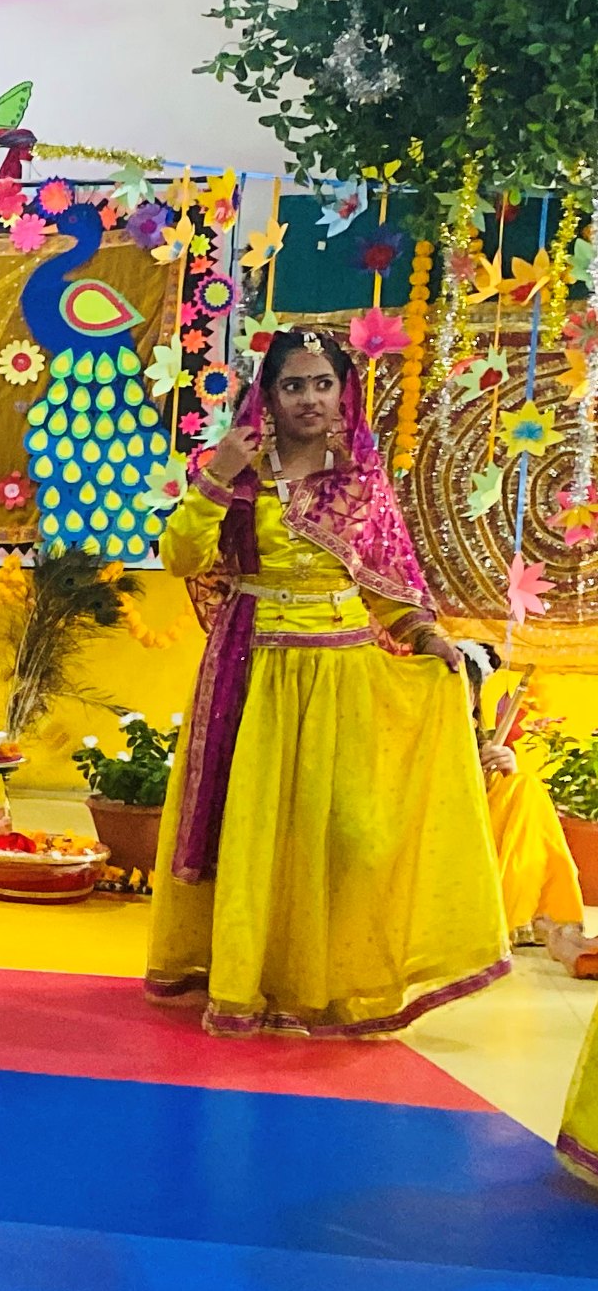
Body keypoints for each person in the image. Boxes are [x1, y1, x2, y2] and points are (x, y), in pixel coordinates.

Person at [145, 327, 507, 1036]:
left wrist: (427, 638)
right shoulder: (237, 472)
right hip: (256, 674)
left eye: (322, 384)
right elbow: (181, 559)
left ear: (345, 393)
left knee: (354, 834)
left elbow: (390, 586)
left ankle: (332, 981)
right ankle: (249, 982)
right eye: (293, 385)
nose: (309, 399)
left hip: (346, 675)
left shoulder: (362, 481)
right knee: (254, 834)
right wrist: (216, 477)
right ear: (268, 395)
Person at [461, 643, 593, 973]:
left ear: (474, 698)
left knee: (525, 787)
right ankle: (529, 915)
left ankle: (531, 914)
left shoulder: (479, 739)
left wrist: (507, 769)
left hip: (481, 829)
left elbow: (496, 799)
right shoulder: (417, 732)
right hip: (439, 831)